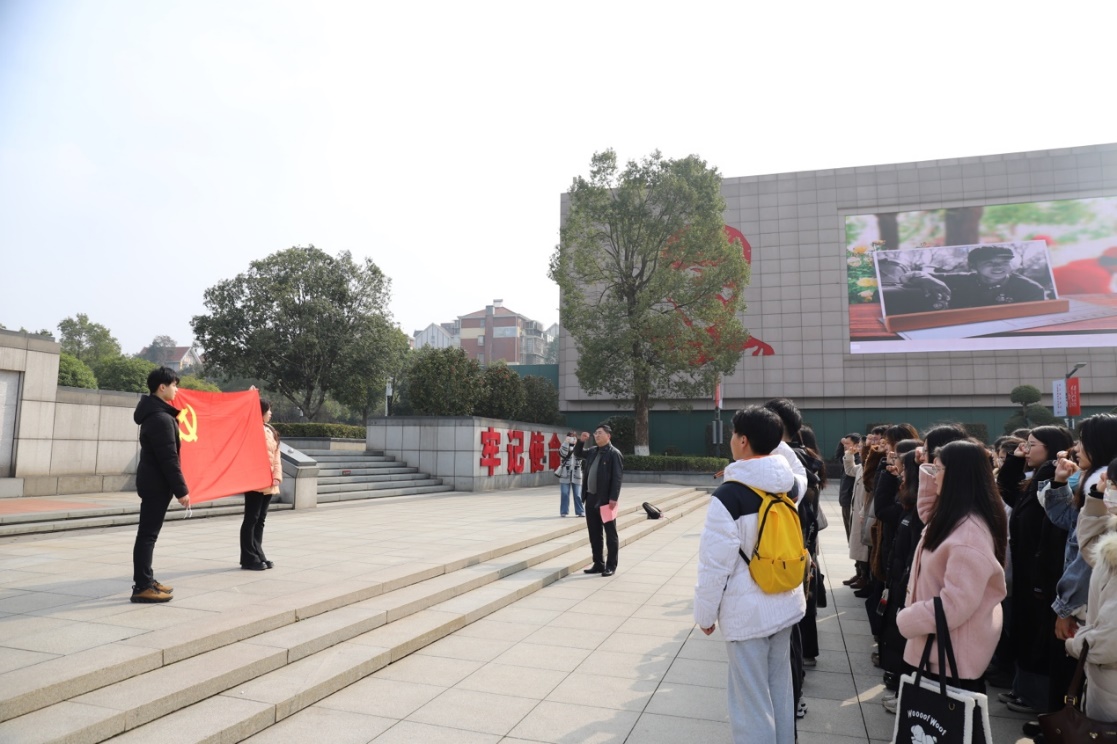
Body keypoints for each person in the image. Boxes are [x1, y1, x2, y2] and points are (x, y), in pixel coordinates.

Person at [694, 405, 806, 744]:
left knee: (750, 702)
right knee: (780, 691)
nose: (731, 440)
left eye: (734, 434)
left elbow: (714, 565)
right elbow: (799, 471)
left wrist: (705, 614)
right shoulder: (788, 486)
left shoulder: (729, 495)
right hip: (785, 603)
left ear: (743, 440)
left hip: (747, 614)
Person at [896, 439, 1008, 693]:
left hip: (950, 655)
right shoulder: (952, 517)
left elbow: (956, 604)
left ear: (957, 476)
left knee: (938, 717)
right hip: (937, 647)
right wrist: (928, 466)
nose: (934, 476)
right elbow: (926, 508)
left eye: (939, 469)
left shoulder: (968, 533)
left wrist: (908, 619)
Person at [130, 366, 190, 603]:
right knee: (147, 536)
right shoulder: (160, 419)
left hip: (154, 483)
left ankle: (147, 579)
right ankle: (142, 586)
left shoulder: (158, 414)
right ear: (161, 387)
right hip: (156, 485)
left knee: (148, 535)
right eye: (174, 385)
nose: (177, 390)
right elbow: (169, 458)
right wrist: (181, 490)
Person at [1065, 457, 1117, 722]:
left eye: (1113, 485)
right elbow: (1090, 548)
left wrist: (1077, 642)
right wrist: (1096, 497)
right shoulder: (1112, 539)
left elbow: (1110, 641)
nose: (1109, 489)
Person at [574, 424, 623, 577]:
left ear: (608, 436)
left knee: (610, 534)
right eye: (595, 433)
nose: (597, 435)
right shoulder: (593, 451)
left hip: (606, 500)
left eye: (600, 433)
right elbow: (578, 454)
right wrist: (581, 441)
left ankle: (611, 565)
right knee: (594, 533)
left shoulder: (614, 453)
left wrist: (613, 498)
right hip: (591, 498)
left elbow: (617, 477)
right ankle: (598, 563)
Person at [240, 398, 282, 571]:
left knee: (260, 520)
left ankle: (258, 553)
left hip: (269, 481)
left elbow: (277, 455)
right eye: (268, 410)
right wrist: (248, 400)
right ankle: (248, 558)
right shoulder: (250, 429)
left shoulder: (270, 430)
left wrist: (277, 476)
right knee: (251, 519)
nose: (270, 413)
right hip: (255, 480)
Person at [937, 245, 1048, 309]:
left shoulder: (1030, 289)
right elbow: (927, 276)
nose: (998, 267)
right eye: (989, 262)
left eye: (1004, 262)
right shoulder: (959, 281)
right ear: (973, 266)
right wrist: (927, 279)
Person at [556, 431, 585, 518]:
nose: (572, 439)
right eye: (570, 437)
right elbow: (562, 454)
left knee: (578, 494)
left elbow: (581, 456)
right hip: (565, 473)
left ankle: (580, 511)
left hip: (577, 473)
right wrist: (566, 443)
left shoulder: (579, 447)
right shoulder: (564, 446)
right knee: (564, 493)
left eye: (574, 437)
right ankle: (564, 511)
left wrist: (578, 445)